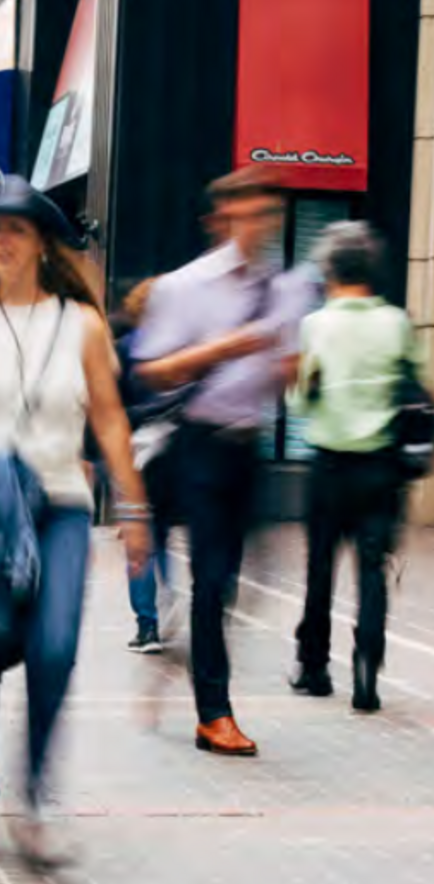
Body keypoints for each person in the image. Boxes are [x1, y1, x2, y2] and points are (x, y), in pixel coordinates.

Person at [0, 176, 151, 863]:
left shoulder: (81, 324)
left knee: (53, 649)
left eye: (17, 227)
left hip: (60, 508)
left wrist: (134, 513)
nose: (2, 239)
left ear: (43, 240)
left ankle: (38, 796)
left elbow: (108, 420)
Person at [134, 167, 304, 756]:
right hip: (199, 446)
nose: (261, 226)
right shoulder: (186, 287)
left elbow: (286, 371)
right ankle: (214, 714)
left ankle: (191, 651)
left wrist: (288, 369)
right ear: (220, 220)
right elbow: (151, 371)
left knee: (246, 582)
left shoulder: (283, 287)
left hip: (248, 448)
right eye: (249, 214)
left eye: (270, 215)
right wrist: (225, 348)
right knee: (212, 578)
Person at [289, 222, 420, 713]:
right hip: (381, 468)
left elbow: (301, 400)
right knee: (372, 569)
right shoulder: (396, 323)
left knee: (319, 568)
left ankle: (314, 668)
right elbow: (420, 384)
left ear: (330, 268)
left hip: (328, 467)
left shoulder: (316, 325)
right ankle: (367, 672)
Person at [112, 278, 178, 654]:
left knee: (139, 538)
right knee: (161, 533)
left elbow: (113, 409)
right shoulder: (178, 349)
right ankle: (167, 593)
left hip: (135, 455)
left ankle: (147, 625)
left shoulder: (125, 350)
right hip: (170, 454)